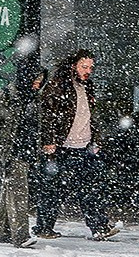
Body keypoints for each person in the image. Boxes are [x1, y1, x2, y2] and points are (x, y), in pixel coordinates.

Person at [36, 50, 120, 240]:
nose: (88, 71)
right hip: (63, 147)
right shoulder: (58, 86)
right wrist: (49, 141)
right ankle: (44, 227)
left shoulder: (87, 87)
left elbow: (91, 117)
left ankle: (99, 227)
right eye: (84, 66)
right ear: (73, 65)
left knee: (90, 189)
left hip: (84, 146)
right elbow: (47, 116)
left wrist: (95, 140)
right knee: (55, 189)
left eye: (91, 67)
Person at [0, 58, 44, 247]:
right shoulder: (4, 97)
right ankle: (21, 236)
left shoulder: (34, 98)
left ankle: (3, 231)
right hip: (10, 152)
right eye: (35, 79)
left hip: (26, 152)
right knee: (18, 194)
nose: (38, 84)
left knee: (10, 190)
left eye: (40, 80)